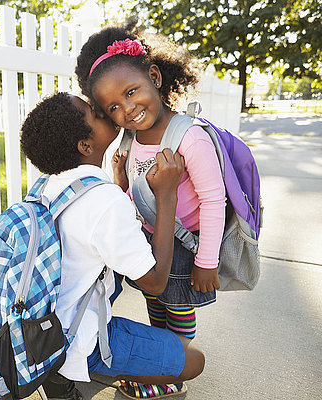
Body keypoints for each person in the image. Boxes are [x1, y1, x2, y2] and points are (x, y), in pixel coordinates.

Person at [74, 22, 226, 397]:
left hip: (185, 247)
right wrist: (122, 183)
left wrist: (207, 261)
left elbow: (212, 200)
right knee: (156, 304)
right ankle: (161, 359)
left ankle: (173, 373)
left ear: (155, 77)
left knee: (178, 310)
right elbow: (138, 198)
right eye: (114, 106)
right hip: (151, 240)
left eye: (131, 92)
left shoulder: (189, 136)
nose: (128, 109)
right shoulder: (130, 137)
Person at [20, 92, 204, 400]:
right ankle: (80, 366)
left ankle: (57, 370)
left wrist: (120, 185)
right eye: (93, 113)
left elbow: (96, 231)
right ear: (86, 146)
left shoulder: (47, 184)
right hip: (74, 338)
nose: (103, 110)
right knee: (194, 360)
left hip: (41, 324)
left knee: (113, 274)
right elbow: (156, 282)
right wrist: (166, 195)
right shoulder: (103, 201)